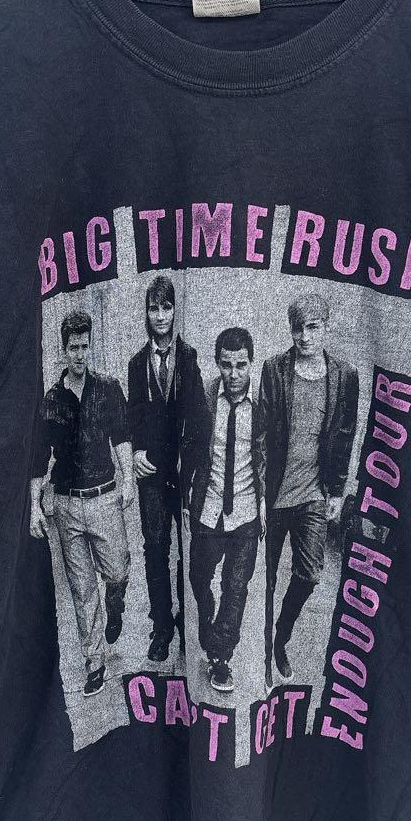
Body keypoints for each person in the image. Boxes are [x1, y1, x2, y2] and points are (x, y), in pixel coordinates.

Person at [30, 310, 135, 698]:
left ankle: (116, 598)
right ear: (64, 349)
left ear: (91, 346)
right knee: (82, 590)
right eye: (73, 347)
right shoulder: (51, 401)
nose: (79, 354)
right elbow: (40, 459)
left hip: (105, 498)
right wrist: (35, 506)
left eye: (84, 346)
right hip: (68, 505)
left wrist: (127, 480)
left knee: (118, 569)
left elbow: (121, 435)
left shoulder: (107, 389)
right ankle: (95, 663)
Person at [259, 293, 359, 687]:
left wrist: (336, 491)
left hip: (314, 494)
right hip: (274, 495)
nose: (304, 336)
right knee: (264, 578)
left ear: (325, 327)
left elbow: (345, 435)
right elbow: (261, 433)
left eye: (312, 327)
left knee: (309, 574)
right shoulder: (274, 369)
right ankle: (263, 651)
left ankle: (279, 638)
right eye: (297, 328)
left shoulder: (345, 376)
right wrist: (259, 493)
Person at [180, 327, 265, 693]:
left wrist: (266, 502)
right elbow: (189, 446)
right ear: (217, 363)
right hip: (209, 507)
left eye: (241, 365)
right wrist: (186, 499)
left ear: (251, 364)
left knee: (236, 586)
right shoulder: (205, 398)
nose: (234, 374)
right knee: (199, 579)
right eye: (227, 365)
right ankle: (208, 631)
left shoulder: (264, 404)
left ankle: (221, 658)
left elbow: (270, 453)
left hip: (246, 511)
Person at [126, 276, 203, 662]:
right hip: (152, 475)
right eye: (154, 308)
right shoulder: (136, 364)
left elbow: (201, 417)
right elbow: (133, 417)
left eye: (166, 307)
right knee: (155, 548)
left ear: (175, 311)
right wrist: (135, 451)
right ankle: (161, 628)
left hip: (184, 474)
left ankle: (186, 622)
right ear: (146, 313)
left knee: (189, 549)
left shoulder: (188, 357)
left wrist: (194, 466)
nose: (160, 316)